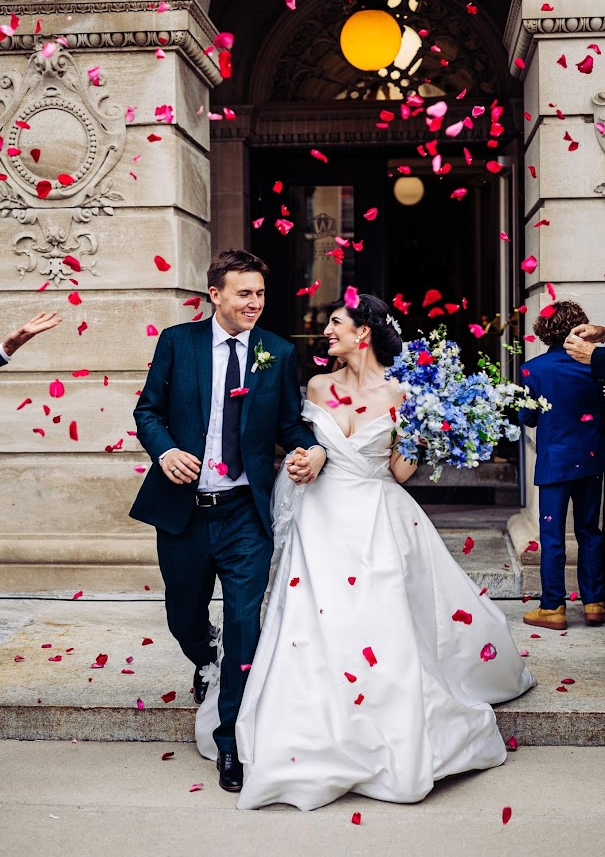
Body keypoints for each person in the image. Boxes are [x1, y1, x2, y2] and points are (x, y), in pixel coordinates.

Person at [195, 293, 536, 810]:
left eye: (334, 323)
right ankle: (309, 725)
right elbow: (297, 441)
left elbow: (399, 472)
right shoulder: (315, 385)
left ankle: (380, 724)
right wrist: (304, 459)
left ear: (363, 333)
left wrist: (428, 432)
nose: (325, 332)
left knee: (378, 621)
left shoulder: (403, 393)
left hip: (376, 515)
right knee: (310, 619)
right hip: (318, 517)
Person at [130, 249, 325, 793]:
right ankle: (204, 656)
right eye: (244, 293)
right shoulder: (178, 343)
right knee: (183, 616)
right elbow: (148, 411)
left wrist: (311, 453)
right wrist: (165, 451)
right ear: (215, 294)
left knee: (246, 622)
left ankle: (231, 740)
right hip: (184, 512)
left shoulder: (277, 353)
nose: (254, 304)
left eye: (260, 294)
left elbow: (292, 424)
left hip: (245, 513)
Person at [520, 302, 605, 631]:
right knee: (590, 531)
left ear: (543, 331)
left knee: (552, 536)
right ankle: (595, 602)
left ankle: (553, 607)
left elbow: (526, 416)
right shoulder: (595, 365)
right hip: (592, 459)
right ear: (579, 327)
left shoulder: (534, 369)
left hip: (555, 462)